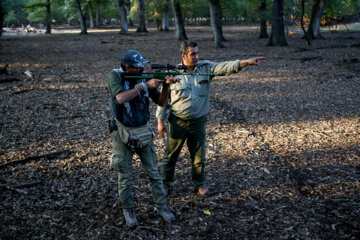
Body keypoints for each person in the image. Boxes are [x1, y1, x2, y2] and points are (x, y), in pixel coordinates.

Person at [156, 40, 266, 197]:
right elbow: (163, 98)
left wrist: (246, 63)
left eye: (197, 53)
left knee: (199, 156)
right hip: (177, 122)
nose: (197, 56)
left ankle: (199, 183)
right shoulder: (172, 72)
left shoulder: (205, 68)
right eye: (193, 54)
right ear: (183, 56)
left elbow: (224, 67)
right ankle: (165, 184)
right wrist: (160, 121)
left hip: (198, 122)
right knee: (170, 155)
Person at [108, 50, 180, 227]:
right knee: (125, 176)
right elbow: (120, 98)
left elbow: (162, 102)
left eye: (143, 66)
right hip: (122, 132)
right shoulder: (115, 76)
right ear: (127, 67)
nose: (142, 69)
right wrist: (144, 86)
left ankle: (161, 206)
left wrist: (167, 86)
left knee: (154, 173)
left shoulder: (144, 79)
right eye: (138, 67)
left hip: (143, 130)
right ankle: (129, 210)